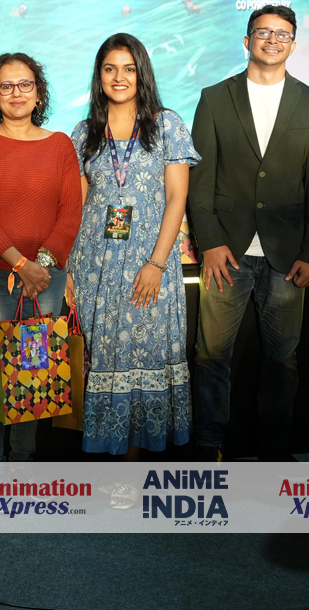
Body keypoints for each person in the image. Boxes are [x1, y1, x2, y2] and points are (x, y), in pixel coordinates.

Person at [187, 4, 309, 462]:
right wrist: (210, 242)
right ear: (247, 40)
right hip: (225, 252)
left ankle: (275, 449)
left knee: (282, 358)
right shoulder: (214, 97)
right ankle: (209, 444)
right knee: (211, 355)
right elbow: (200, 180)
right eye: (263, 32)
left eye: (282, 33)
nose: (272, 40)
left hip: (287, 254)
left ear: (293, 43)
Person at [68, 32, 200, 508]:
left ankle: (130, 469)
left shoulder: (167, 125)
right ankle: (108, 461)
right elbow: (76, 209)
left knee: (141, 361)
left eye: (128, 68)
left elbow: (177, 199)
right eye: (110, 69)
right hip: (95, 266)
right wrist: (68, 270)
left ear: (141, 72)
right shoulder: (83, 133)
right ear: (99, 76)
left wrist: (157, 263)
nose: (119, 77)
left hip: (150, 265)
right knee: (104, 361)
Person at [0, 53, 82, 480]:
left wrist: (39, 266)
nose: (16, 93)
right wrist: (21, 265)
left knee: (33, 369)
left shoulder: (60, 144)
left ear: (38, 92)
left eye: (25, 84)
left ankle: (22, 466)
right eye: (6, 86)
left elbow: (71, 212)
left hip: (46, 277)